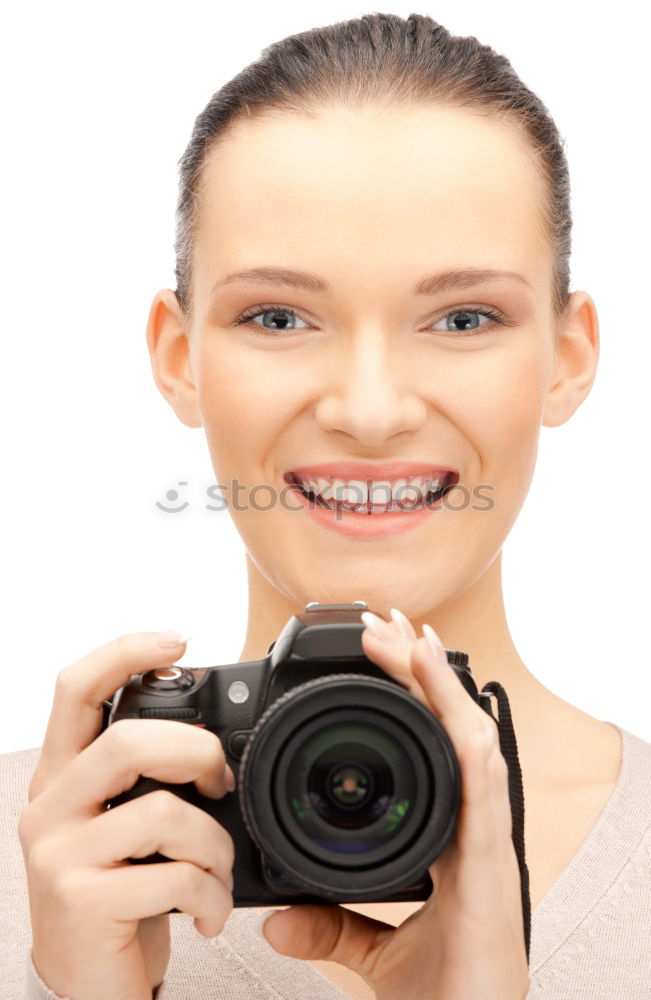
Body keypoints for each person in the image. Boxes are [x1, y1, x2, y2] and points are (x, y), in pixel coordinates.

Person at [1, 11, 649, 1000]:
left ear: (568, 359)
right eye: (279, 316)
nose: (371, 411)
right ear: (181, 360)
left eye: (464, 317)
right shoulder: (36, 857)